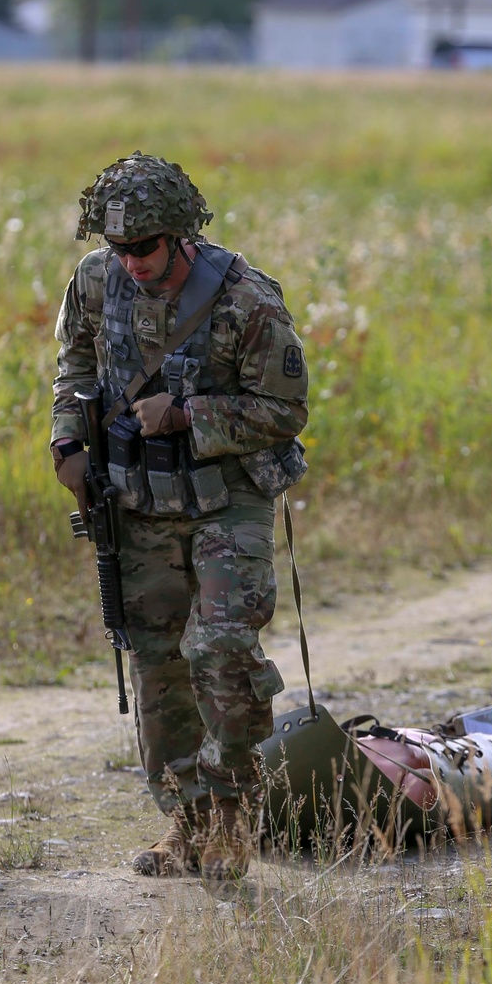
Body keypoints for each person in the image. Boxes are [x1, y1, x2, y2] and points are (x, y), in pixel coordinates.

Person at [51, 152, 308, 879]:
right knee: (157, 660)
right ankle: (185, 822)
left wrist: (189, 413)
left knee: (219, 648)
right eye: (116, 245)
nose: (129, 260)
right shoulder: (96, 282)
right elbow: (73, 367)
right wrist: (66, 438)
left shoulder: (243, 298)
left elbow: (287, 411)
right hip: (139, 500)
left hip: (228, 497)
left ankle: (234, 811)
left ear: (180, 236)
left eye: (144, 247)